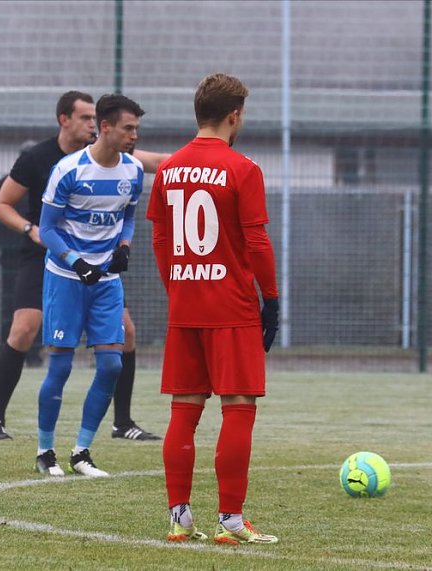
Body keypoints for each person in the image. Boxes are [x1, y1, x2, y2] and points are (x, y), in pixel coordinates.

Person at [0, 90, 167, 441]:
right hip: (46, 256)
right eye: (84, 118)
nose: (91, 125)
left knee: (126, 332)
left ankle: (122, 422)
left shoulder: (115, 156)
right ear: (64, 120)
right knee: (24, 328)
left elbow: (158, 162)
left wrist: (207, 157)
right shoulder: (39, 159)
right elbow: (1, 205)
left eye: (93, 118)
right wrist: (31, 230)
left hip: (96, 261)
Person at [146, 73, 280, 544]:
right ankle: (231, 521)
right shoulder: (243, 168)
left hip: (185, 305)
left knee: (184, 410)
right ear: (234, 116)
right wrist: (271, 298)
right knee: (238, 407)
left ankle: (179, 519)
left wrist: (176, 287)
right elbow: (257, 241)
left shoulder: (169, 168)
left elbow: (160, 237)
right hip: (232, 307)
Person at [34, 94, 146, 477]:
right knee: (61, 367)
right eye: (128, 128)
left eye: (137, 128)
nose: (134, 135)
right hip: (66, 279)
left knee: (112, 365)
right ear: (106, 127)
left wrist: (124, 246)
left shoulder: (133, 171)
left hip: (106, 281)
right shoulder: (68, 170)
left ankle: (81, 452)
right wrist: (75, 261)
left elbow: (128, 216)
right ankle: (45, 451)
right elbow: (47, 229)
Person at [0, 140, 43, 366]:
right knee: (11, 303)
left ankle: (34, 352)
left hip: (38, 255)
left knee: (37, 306)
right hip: (13, 257)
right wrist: (10, 246)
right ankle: (7, 350)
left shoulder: (44, 184)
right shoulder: (7, 183)